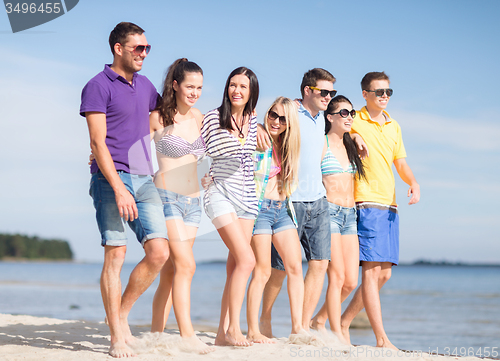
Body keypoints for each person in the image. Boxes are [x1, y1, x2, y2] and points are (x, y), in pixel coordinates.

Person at [80, 22, 169, 358]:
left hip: (145, 178)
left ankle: (119, 314)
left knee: (159, 252)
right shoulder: (97, 86)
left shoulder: (145, 86)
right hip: (111, 178)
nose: (144, 53)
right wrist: (118, 188)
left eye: (147, 48)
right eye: (138, 48)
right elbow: (97, 141)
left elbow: (169, 113)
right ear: (119, 48)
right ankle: (117, 336)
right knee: (116, 254)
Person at [340, 72, 420, 349]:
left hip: (390, 205)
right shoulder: (355, 118)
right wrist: (353, 134)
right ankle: (382, 339)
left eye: (388, 92)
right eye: (378, 92)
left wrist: (414, 182)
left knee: (384, 275)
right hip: (366, 201)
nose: (384, 96)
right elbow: (334, 123)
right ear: (365, 94)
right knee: (371, 273)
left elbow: (400, 163)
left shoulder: (394, 126)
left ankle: (340, 321)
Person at [257, 68, 336, 336]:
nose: (328, 97)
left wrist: (354, 135)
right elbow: (268, 123)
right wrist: (257, 126)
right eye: (324, 92)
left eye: (331, 92)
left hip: (319, 201)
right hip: (290, 202)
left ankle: (299, 327)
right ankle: (264, 321)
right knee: (278, 269)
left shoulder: (322, 117)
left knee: (320, 263)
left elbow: (339, 127)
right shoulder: (290, 111)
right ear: (307, 90)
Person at [148, 58, 214, 354]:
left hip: (193, 200)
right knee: (187, 265)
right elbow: (129, 146)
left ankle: (156, 334)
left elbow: (211, 151)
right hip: (167, 197)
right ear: (175, 85)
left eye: (199, 87)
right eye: (190, 86)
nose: (195, 92)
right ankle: (187, 335)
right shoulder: (157, 117)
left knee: (172, 270)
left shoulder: (199, 117)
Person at [201, 67, 260, 346]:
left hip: (247, 198)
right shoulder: (213, 117)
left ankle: (221, 334)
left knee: (236, 265)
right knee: (248, 260)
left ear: (251, 93)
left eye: (243, 87)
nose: (237, 90)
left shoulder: (253, 119)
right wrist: (201, 172)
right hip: (219, 193)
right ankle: (235, 329)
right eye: (233, 85)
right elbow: (198, 150)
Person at [246, 97, 306, 343]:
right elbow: (240, 119)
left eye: (283, 119)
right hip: (259, 209)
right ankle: (253, 330)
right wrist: (256, 124)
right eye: (273, 115)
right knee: (261, 270)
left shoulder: (287, 146)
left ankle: (298, 328)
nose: (276, 122)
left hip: (282, 209)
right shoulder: (256, 137)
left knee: (294, 268)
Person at [310, 95, 366, 344]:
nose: (350, 117)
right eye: (344, 113)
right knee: (337, 277)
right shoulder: (321, 144)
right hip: (329, 212)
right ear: (329, 116)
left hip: (350, 216)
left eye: (351, 113)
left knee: (351, 281)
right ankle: (337, 333)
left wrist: (356, 135)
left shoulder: (351, 145)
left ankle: (319, 320)